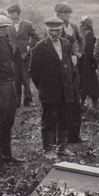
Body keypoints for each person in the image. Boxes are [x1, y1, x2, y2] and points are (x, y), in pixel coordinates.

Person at [29, 17, 76, 159]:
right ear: (46, 30)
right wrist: (44, 87)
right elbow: (34, 72)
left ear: (62, 30)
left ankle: (62, 147)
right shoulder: (39, 47)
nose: (54, 34)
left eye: (57, 31)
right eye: (51, 31)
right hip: (49, 91)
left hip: (65, 90)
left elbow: (68, 66)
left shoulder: (66, 43)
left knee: (65, 118)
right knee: (48, 120)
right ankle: (47, 149)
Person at [0, 14, 23, 166]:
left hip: (10, 84)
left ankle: (7, 154)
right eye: (0, 28)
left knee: (9, 120)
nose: (3, 30)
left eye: (5, 28)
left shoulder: (5, 41)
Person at [54, 2, 86, 144]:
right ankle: (61, 138)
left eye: (69, 13)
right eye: (66, 13)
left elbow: (81, 39)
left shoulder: (73, 27)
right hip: (60, 71)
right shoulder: (54, 28)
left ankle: (75, 136)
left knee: (76, 102)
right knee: (62, 104)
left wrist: (78, 53)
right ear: (58, 14)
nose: (68, 16)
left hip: (74, 68)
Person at [6, 4, 41, 107]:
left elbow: (36, 38)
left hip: (25, 55)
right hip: (13, 56)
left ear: (17, 13)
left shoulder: (27, 24)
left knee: (26, 78)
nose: (9, 15)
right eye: (9, 13)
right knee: (15, 78)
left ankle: (28, 100)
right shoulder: (8, 26)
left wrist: (29, 46)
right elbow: (6, 39)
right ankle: (16, 102)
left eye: (11, 13)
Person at [78, 16, 99, 112]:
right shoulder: (89, 34)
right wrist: (95, 63)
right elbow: (92, 51)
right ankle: (96, 108)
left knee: (83, 84)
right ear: (90, 24)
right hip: (88, 64)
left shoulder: (81, 32)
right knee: (92, 85)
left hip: (81, 63)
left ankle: (80, 106)